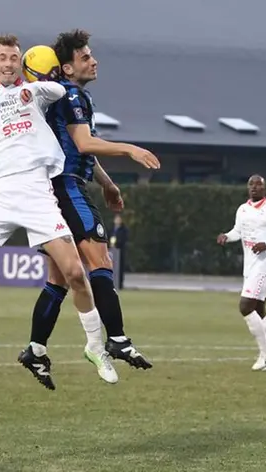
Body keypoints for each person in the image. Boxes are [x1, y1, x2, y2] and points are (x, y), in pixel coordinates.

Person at [0, 34, 119, 386]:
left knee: (75, 274)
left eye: (14, 58)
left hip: (36, 193)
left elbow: (66, 91)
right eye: (2, 57)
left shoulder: (38, 92)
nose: (7, 63)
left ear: (22, 63)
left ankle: (95, 346)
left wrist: (48, 79)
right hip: (0, 194)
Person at [17, 29, 160, 389]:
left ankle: (35, 349)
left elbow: (78, 147)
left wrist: (108, 184)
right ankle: (117, 339)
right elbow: (83, 143)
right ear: (66, 67)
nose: (93, 61)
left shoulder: (66, 96)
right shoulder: (72, 94)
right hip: (66, 188)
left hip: (55, 188)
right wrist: (130, 149)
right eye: (85, 57)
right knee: (100, 263)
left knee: (59, 277)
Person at [216, 175, 266, 371]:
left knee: (245, 306)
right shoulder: (242, 209)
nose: (254, 187)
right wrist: (227, 236)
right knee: (259, 310)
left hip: (264, 267)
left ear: (264, 188)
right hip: (250, 267)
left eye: (258, 184)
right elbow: (238, 231)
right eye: (251, 184)